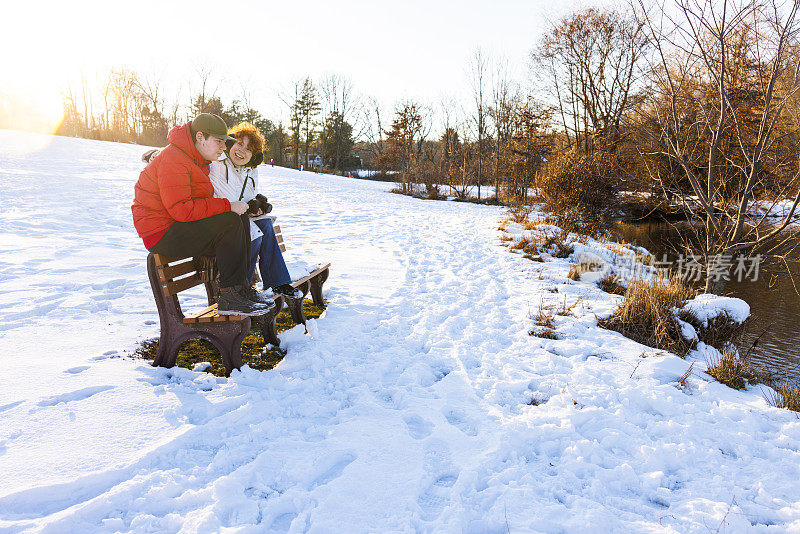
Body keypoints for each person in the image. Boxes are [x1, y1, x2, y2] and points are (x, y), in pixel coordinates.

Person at [132, 113, 276, 316]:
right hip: (160, 232)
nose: (223, 147)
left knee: (238, 216)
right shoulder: (175, 159)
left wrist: (236, 207)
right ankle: (229, 295)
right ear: (200, 137)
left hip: (175, 225)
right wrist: (226, 206)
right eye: (219, 141)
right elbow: (182, 209)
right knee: (230, 220)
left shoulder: (194, 158)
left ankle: (241, 289)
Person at [208, 122, 302, 299]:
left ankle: (277, 283)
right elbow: (225, 197)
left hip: (239, 220)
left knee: (265, 224)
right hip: (220, 224)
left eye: (248, 149)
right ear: (230, 144)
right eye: (239, 144)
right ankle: (241, 288)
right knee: (254, 233)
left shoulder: (250, 172)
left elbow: (244, 200)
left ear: (253, 155)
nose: (242, 151)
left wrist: (256, 206)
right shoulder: (217, 164)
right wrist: (155, 155)